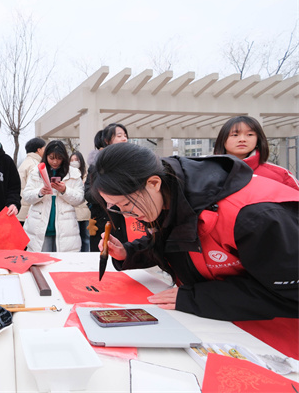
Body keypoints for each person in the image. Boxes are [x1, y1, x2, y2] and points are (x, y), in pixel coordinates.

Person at [94, 143, 298, 321]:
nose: (127, 214)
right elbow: (177, 242)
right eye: (115, 207)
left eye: (126, 204)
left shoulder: (254, 217)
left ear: (154, 183)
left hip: (275, 339)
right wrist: (128, 252)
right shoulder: (171, 195)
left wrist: (196, 297)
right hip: (224, 322)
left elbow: (289, 294)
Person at [23, 140, 84, 252]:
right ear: (46, 156)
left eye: (59, 158)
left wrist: (65, 190)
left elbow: (80, 199)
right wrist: (40, 192)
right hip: (39, 227)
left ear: (64, 157)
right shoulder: (36, 171)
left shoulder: (73, 173)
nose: (55, 161)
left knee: (63, 261)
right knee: (42, 260)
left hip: (66, 229)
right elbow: (26, 196)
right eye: (51, 158)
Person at [213, 115, 299, 190]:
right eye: (235, 135)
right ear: (222, 139)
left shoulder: (280, 175)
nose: (242, 139)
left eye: (250, 135)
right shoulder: (209, 172)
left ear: (258, 139)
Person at [85, 123, 131, 251]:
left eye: (125, 136)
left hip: (127, 220)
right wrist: (109, 193)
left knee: (125, 254)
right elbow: (88, 194)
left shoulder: (130, 163)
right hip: (104, 220)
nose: (124, 139)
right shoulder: (96, 165)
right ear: (107, 141)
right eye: (119, 136)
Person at [17, 137, 46, 225]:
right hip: (28, 211)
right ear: (39, 150)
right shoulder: (35, 165)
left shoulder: (25, 163)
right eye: (44, 148)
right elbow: (34, 188)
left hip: (21, 209)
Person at [70, 151, 91, 252]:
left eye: (76, 160)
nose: (74, 162)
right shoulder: (68, 175)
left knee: (86, 237)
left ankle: (87, 255)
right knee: (75, 239)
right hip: (74, 210)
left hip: (86, 211)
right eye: (71, 160)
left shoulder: (87, 175)